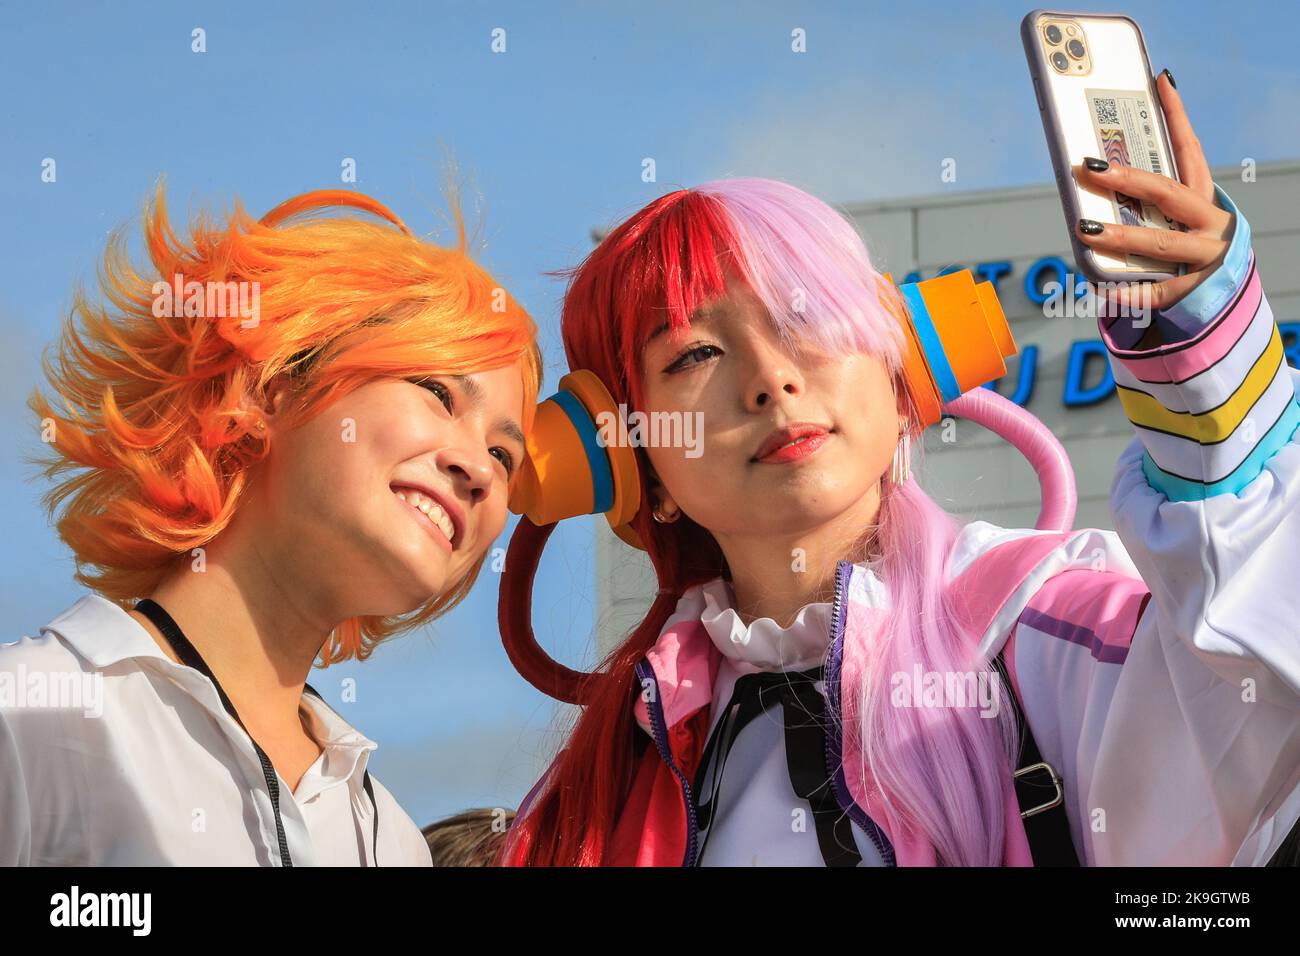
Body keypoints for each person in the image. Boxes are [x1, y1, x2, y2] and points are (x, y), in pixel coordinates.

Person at [497, 71, 1300, 866]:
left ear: (900, 362)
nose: (771, 379)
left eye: (805, 313)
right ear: (629, 460)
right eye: (696, 352)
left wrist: (1210, 385)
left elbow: (1263, 710)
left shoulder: (1045, 637)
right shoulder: (596, 796)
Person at [2, 181, 542, 865]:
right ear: (274, 384)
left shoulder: (394, 842)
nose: (481, 469)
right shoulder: (30, 723)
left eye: (504, 454)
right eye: (437, 392)